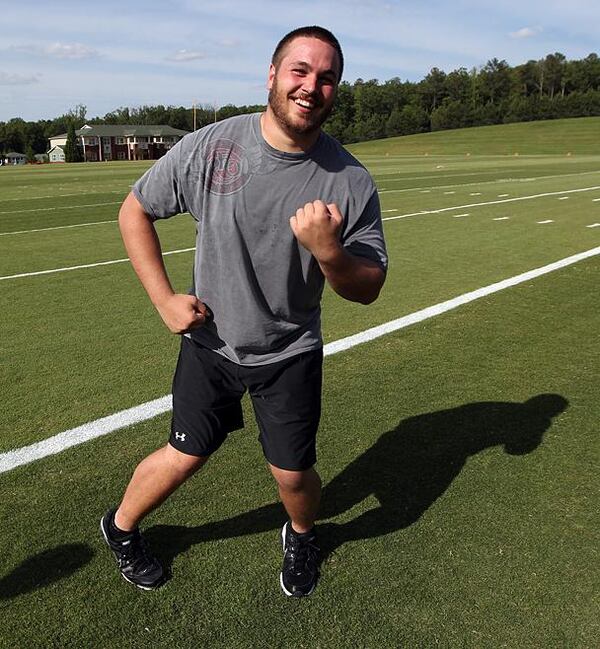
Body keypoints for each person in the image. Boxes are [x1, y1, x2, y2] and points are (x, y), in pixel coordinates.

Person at [101, 25, 387, 597]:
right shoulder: (213, 146)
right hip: (210, 343)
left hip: (289, 352)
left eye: (326, 77)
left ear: (336, 90)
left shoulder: (351, 180)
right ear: (273, 77)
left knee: (293, 472)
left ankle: (302, 535)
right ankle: (120, 528)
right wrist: (163, 299)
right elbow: (134, 211)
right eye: (300, 71)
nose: (312, 86)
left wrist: (328, 251)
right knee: (185, 454)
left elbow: (368, 286)